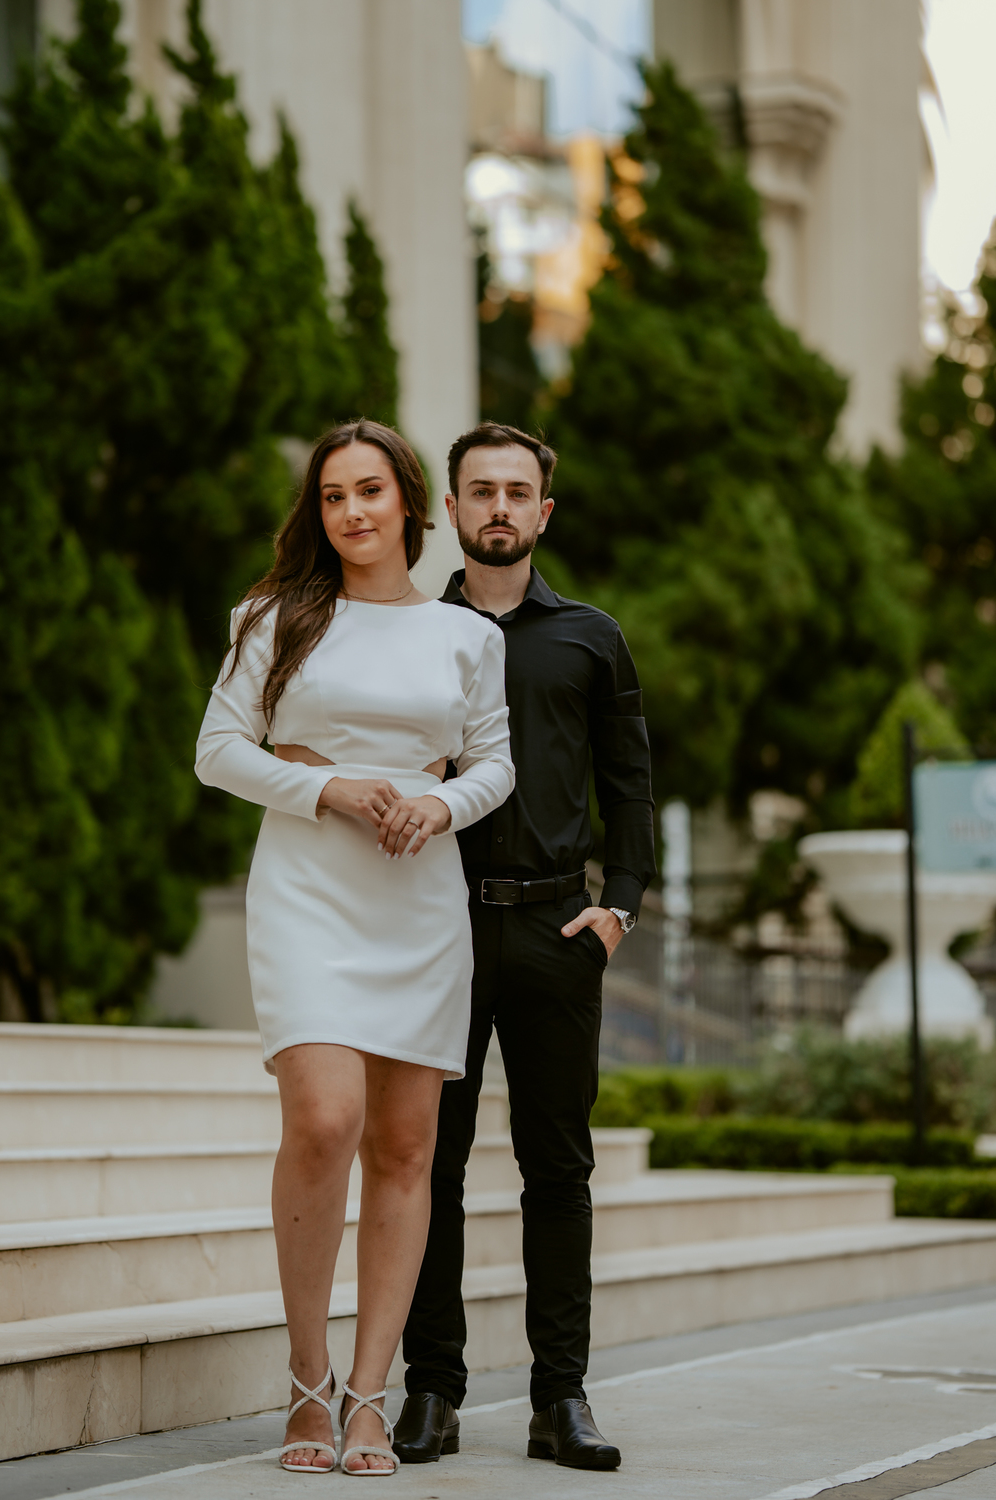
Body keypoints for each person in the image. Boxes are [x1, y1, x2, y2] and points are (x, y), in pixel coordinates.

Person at [195, 420, 514, 1476]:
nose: (351, 513)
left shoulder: (467, 637)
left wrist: (442, 805)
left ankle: (369, 1396)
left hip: (418, 899)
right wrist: (327, 786)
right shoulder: (273, 617)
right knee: (326, 1118)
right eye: (332, 496)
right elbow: (218, 751)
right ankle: (306, 1376)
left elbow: (495, 763)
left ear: (408, 503)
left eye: (369, 491)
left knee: (407, 1149)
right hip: (307, 888)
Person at [395, 423, 655, 1472]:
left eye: (516, 492)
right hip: (434, 927)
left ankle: (562, 1399)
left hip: (556, 929)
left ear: (542, 512)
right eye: (480, 490)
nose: (498, 507)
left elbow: (630, 785)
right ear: (452, 510)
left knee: (559, 1171)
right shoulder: (409, 634)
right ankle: (432, 1391)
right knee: (429, 1168)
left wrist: (619, 907)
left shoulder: (592, 637)